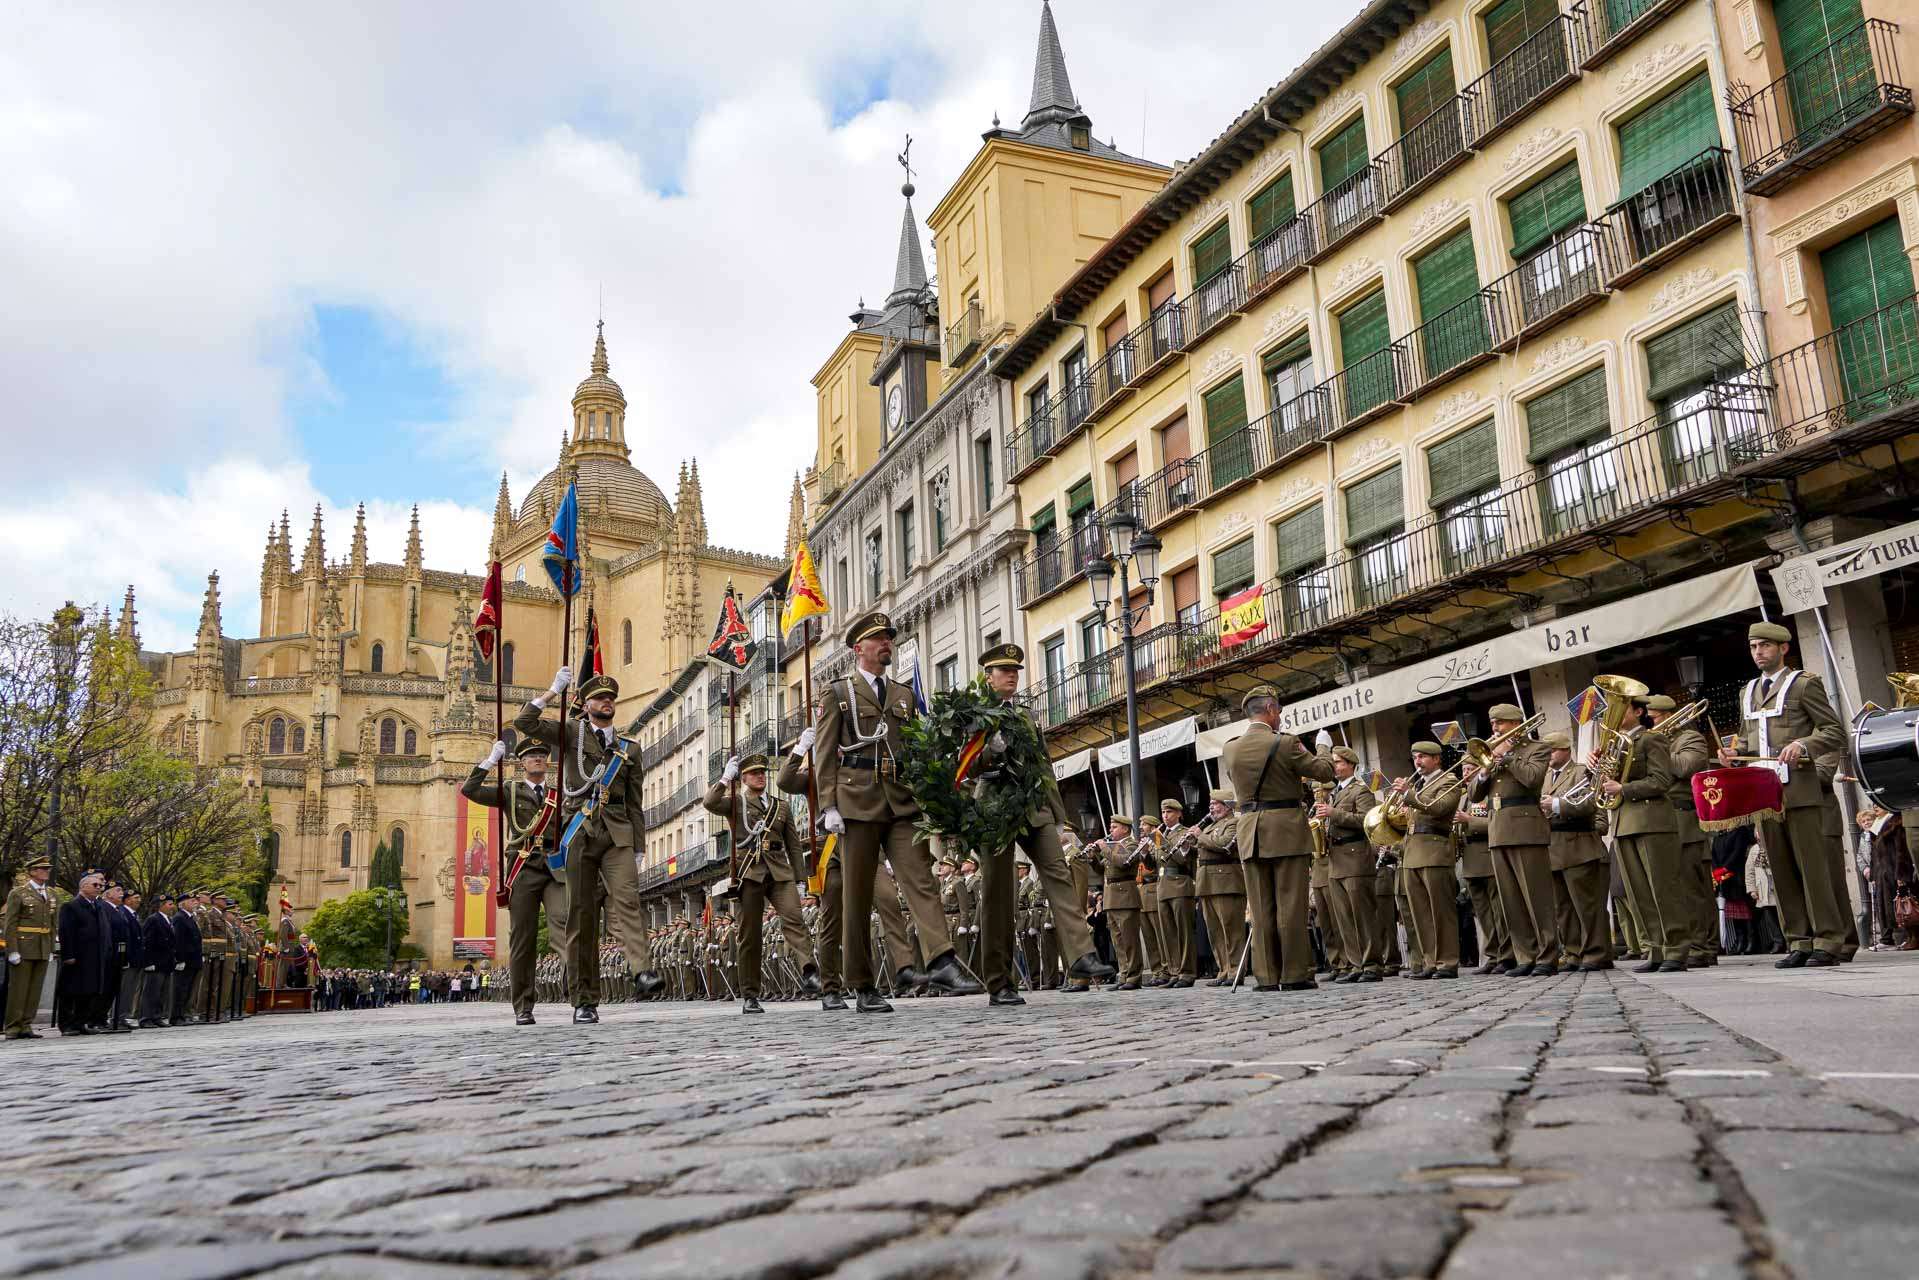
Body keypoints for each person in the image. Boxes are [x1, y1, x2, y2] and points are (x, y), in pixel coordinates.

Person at [812, 611, 980, 1012]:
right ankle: (862, 983)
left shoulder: (903, 695)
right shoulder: (838, 693)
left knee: (920, 878)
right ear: (860, 649)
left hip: (901, 800)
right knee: (856, 896)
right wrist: (828, 805)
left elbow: (916, 749)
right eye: (878, 639)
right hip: (857, 802)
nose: (887, 644)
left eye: (889, 638)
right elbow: (823, 754)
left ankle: (941, 959)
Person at [515, 668, 664, 1024]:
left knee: (627, 899)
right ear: (586, 704)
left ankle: (641, 970)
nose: (606, 702)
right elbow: (526, 722)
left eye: (610, 698)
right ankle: (584, 999)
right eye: (599, 698)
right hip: (579, 832)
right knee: (581, 916)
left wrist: (639, 846)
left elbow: (634, 803)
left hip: (617, 835)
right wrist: (552, 691)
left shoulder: (630, 749)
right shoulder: (570, 732)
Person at [971, 643, 1115, 1003]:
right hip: (995, 810)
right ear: (987, 677)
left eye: (1015, 671)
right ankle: (1000, 981)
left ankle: (1081, 955)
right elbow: (964, 768)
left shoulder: (1025, 717)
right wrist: (991, 751)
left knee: (1060, 875)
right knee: (998, 896)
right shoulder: (972, 715)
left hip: (1034, 809)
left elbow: (1043, 767)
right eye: (1004, 671)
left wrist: (1060, 819)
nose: (1012, 676)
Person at [1722, 621, 1848, 967]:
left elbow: (1834, 730)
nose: (1758, 652)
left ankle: (1828, 940)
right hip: (1764, 795)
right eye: (1753, 647)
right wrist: (1734, 756)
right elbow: (1749, 741)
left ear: (1783, 648)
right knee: (1781, 870)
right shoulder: (1747, 691)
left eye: (1765, 645)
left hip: (1801, 791)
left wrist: (1803, 744)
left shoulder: (1804, 685)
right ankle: (1799, 940)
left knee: (1812, 869)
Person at [1222, 686, 1337, 991]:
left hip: (1250, 832)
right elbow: (1324, 772)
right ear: (1271, 710)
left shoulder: (1230, 748)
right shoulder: (1285, 743)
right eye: (1280, 712)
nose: (1281, 717)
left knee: (1261, 909)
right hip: (1285, 829)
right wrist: (1323, 746)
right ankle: (1294, 973)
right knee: (1290, 905)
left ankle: (1267, 977)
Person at [463, 736, 571, 1026]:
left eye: (541, 754)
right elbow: (469, 790)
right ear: (521, 762)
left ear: (547, 761)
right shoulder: (510, 791)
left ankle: (574, 982)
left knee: (563, 923)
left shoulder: (558, 794)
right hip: (523, 868)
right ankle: (523, 1006)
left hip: (553, 867)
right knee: (522, 939)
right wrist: (489, 761)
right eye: (531, 755)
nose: (537, 758)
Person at [704, 751, 820, 1015]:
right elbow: (709, 803)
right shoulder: (736, 802)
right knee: (750, 936)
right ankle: (750, 995)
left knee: (795, 920)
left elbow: (793, 845)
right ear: (743, 777)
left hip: (780, 872)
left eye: (762, 773)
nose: (759, 776)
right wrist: (724, 779)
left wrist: (801, 880)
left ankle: (809, 970)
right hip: (750, 873)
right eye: (753, 773)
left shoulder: (782, 806)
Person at [1467, 702, 1557, 977]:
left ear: (1516, 724)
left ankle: (1547, 955)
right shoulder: (1491, 755)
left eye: (1501, 723)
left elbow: (1532, 779)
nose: (1495, 729)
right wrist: (1484, 770)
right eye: (1493, 724)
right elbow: (1474, 795)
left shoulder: (1537, 749)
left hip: (1526, 829)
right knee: (1512, 900)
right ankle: (1524, 955)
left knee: (1536, 897)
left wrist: (1506, 757)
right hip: (1498, 831)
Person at [1647, 695, 1716, 965]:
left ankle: (1703, 948)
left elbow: (1686, 767)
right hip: (1662, 819)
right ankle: (1683, 945)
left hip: (1685, 819)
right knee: (1671, 889)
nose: (1650, 721)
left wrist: (1657, 750)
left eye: (1654, 717)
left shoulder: (1690, 738)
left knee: (1692, 889)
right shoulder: (1657, 740)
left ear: (1666, 715)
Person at [1540, 732, 1610, 971]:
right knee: (1563, 907)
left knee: (1586, 905)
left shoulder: (1582, 772)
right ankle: (1573, 952)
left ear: (1565, 750)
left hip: (1578, 844)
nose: (1548, 756)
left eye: (1552, 751)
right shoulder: (1545, 777)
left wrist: (1557, 804)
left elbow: (1591, 803)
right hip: (1553, 846)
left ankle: (1596, 952)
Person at [1395, 742, 1464, 979]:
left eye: (1423, 757)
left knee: (1440, 911)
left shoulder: (1448, 780)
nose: (1417, 761)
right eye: (1415, 757)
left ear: (1436, 759)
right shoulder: (1418, 785)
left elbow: (1439, 807)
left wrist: (1409, 796)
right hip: (1412, 852)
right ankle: (1430, 961)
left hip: (1434, 850)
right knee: (1421, 913)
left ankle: (1448, 962)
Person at [1318, 747, 1383, 983]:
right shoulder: (1335, 792)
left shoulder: (1361, 790)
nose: (1334, 766)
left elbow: (1366, 820)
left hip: (1355, 857)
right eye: (1333, 762)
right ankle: (1355, 964)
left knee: (1362, 915)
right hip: (1336, 859)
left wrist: (1333, 813)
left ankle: (1371, 965)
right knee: (1344, 918)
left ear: (1350, 765)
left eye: (1338, 762)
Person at [1195, 792, 1246, 986]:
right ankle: (1223, 969)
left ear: (1227, 806)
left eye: (1216, 804)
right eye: (1210, 804)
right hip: (1207, 882)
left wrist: (1200, 837)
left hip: (1226, 882)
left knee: (1231, 930)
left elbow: (1225, 845)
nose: (1211, 807)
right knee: (1215, 930)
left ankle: (1235, 970)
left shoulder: (1233, 823)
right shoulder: (1210, 826)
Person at [2, 855, 56, 1039]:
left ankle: (26, 1024)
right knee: (19, 989)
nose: (46, 872)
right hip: (24, 945)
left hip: (42, 946)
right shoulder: (18, 893)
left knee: (35, 989)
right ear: (32, 872)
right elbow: (10, 923)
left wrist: (50, 948)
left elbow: (52, 923)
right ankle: (13, 1026)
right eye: (42, 869)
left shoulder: (51, 894)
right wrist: (13, 949)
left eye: (48, 869)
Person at [1092, 816, 1147, 989]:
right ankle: (1123, 974)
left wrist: (1104, 849)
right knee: (1118, 941)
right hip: (1112, 896)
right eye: (1111, 826)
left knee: (1129, 939)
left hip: (1125, 895)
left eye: (1114, 827)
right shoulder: (1112, 846)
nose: (1111, 830)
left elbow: (1122, 862)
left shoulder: (1130, 844)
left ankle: (1134, 976)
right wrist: (1092, 857)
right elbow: (1102, 868)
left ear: (1125, 829)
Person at [56, 872, 112, 1035]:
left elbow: (104, 931)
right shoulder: (71, 906)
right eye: (95, 885)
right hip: (78, 957)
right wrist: (68, 955)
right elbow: (66, 932)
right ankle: (67, 1025)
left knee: (90, 991)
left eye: (101, 886)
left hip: (95, 957)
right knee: (71, 992)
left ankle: (81, 1022)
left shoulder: (98, 906)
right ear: (83, 886)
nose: (99, 888)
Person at [1155, 799, 1198, 987]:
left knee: (1183, 932)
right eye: (1163, 812)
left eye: (1170, 812)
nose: (1165, 816)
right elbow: (1156, 861)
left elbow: (1181, 859)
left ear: (1179, 814)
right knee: (1168, 933)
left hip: (1179, 883)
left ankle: (1187, 972)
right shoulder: (1160, 834)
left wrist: (1162, 843)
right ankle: (1174, 971)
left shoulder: (1185, 832)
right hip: (1163, 885)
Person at [138, 894, 180, 1027]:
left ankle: (157, 1016)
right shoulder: (153, 919)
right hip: (155, 962)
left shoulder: (169, 919)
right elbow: (147, 942)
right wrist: (148, 962)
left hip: (166, 962)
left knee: (162, 992)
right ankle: (146, 1018)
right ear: (160, 905)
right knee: (151, 991)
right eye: (169, 904)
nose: (172, 907)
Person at [171, 891, 204, 1024]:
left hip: (193, 960)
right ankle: (176, 1016)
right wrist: (180, 959)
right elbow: (179, 941)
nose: (195, 903)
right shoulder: (179, 918)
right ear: (182, 904)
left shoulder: (190, 918)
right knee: (180, 989)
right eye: (191, 901)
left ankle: (183, 1014)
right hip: (185, 960)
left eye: (195, 900)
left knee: (188, 989)